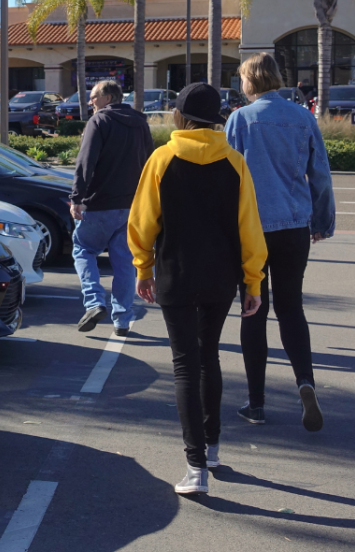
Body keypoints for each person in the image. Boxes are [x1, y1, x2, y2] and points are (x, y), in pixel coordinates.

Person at [128, 82, 265, 495]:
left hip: (175, 275)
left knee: (185, 364)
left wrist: (143, 267)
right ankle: (214, 447)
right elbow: (250, 229)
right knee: (209, 358)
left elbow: (142, 222)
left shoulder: (162, 158)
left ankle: (195, 467)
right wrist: (253, 281)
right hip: (221, 278)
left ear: (179, 116)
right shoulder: (235, 162)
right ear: (217, 118)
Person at [225, 53, 335, 431]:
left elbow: (227, 176)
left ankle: (256, 403)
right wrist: (321, 222)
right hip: (293, 228)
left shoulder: (240, 119)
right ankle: (305, 380)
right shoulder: (303, 117)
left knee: (253, 310)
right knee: (291, 308)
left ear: (250, 81)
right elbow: (320, 175)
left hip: (252, 230)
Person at [70, 80, 152, 336]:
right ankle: (122, 320)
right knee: (125, 263)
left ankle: (94, 302)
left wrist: (76, 198)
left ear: (107, 97)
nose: (90, 102)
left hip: (99, 203)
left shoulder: (99, 122)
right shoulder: (140, 122)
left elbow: (86, 162)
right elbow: (150, 162)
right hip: (132, 206)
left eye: (93, 97)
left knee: (83, 249)